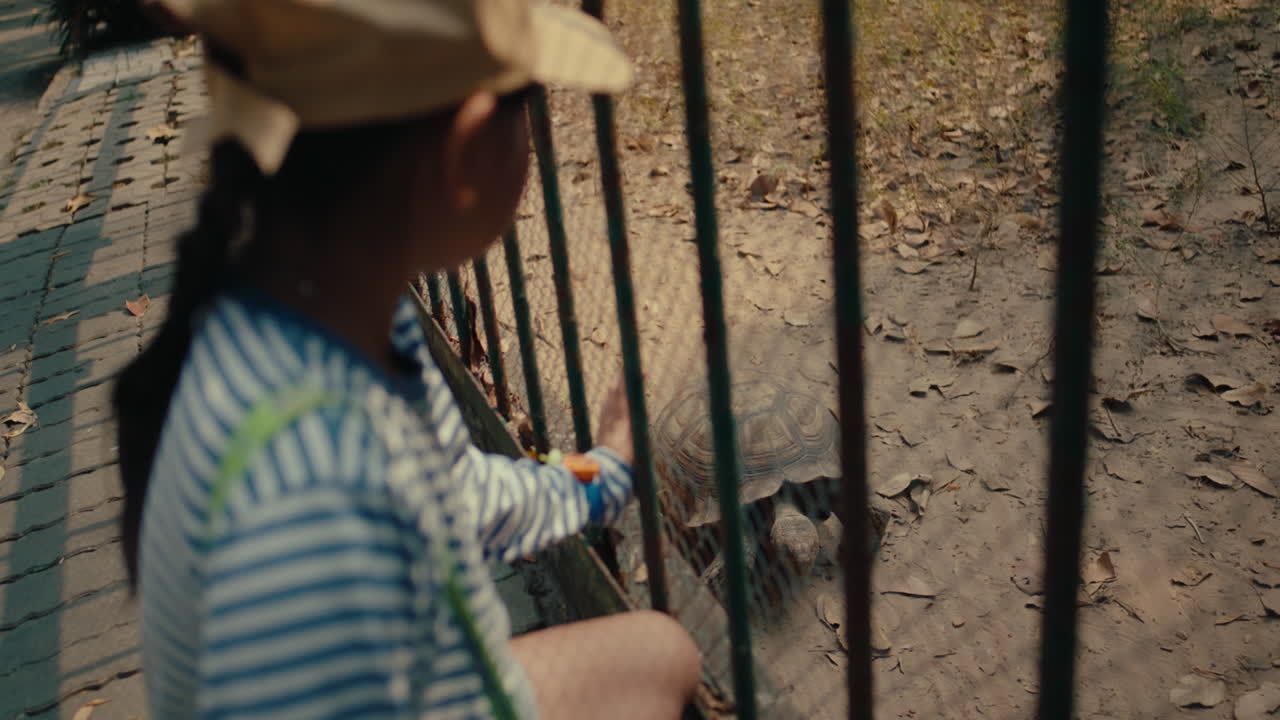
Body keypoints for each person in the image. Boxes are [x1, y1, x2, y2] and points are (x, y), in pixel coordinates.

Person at [111, 1, 702, 717]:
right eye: (528, 105)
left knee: (663, 652)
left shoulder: (324, 316)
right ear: (466, 149)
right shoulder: (313, 497)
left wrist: (603, 475)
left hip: (412, 676)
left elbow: (453, 496)